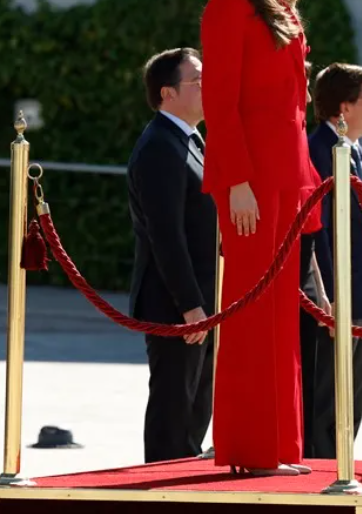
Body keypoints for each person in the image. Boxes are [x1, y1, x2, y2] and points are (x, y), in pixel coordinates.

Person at [200, 0, 321, 476]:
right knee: (250, 313)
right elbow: (221, 106)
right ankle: (249, 447)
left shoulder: (280, 0)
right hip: (252, 179)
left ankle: (277, 446)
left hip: (288, 174)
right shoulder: (228, 4)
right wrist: (238, 181)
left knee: (279, 314)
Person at [127, 48, 214, 463]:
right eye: (197, 81)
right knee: (173, 413)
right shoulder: (161, 145)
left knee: (195, 411)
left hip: (200, 301)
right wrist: (191, 305)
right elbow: (167, 235)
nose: (207, 87)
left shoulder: (190, 139)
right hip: (176, 304)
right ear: (167, 93)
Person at [299, 63, 362, 458]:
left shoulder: (354, 149)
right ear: (344, 108)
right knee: (326, 413)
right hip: (335, 307)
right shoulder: (318, 152)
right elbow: (315, 236)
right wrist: (328, 304)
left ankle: (343, 475)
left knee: (349, 412)